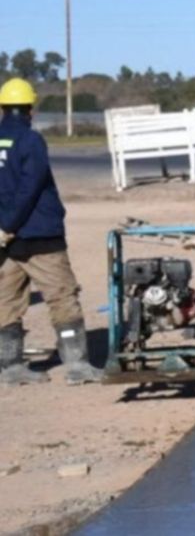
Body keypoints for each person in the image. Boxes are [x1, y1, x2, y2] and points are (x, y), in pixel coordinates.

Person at [0, 78, 104, 385]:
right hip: (39, 236)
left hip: (8, 240)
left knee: (6, 301)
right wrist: (10, 225)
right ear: (30, 108)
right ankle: (77, 366)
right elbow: (29, 189)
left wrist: (3, 228)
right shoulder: (31, 141)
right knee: (62, 297)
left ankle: (10, 367)